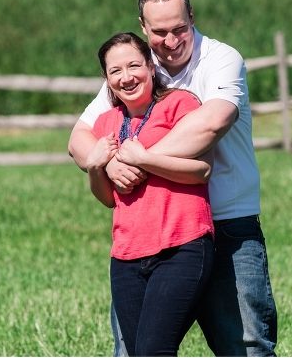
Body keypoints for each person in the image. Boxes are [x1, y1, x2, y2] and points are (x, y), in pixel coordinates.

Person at [69, 0, 278, 356]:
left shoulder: (220, 60)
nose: (171, 40)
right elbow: (80, 138)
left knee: (245, 347)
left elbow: (211, 124)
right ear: (144, 27)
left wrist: (139, 162)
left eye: (179, 28)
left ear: (192, 17)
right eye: (159, 32)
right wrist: (109, 164)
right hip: (152, 231)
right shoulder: (137, 68)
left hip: (228, 224)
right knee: (136, 351)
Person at [87, 31, 216, 357]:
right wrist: (94, 167)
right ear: (106, 79)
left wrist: (145, 159)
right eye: (115, 71)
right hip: (126, 257)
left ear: (151, 67)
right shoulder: (105, 123)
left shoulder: (179, 104)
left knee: (153, 349)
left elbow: (202, 170)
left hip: (182, 247)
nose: (126, 77)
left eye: (134, 66)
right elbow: (108, 198)